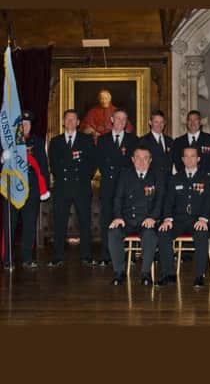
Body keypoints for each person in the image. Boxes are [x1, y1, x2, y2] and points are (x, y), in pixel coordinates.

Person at [156, 147, 210, 287]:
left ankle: (199, 275)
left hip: (198, 220)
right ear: (182, 160)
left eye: (193, 156)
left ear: (198, 159)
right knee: (163, 232)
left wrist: (203, 218)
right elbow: (168, 201)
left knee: (201, 234)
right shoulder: (175, 178)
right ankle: (168, 274)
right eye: (186, 156)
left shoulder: (206, 178)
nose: (189, 159)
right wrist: (167, 219)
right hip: (178, 220)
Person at [1, 110, 50, 269]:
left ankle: (27, 258)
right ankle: (8, 259)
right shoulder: (7, 143)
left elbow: (43, 166)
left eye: (28, 124)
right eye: (22, 124)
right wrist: (3, 158)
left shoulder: (37, 142)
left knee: (29, 225)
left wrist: (45, 188)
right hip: (12, 189)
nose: (25, 126)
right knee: (11, 224)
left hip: (32, 190)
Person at [107, 146, 164, 286]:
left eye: (145, 158)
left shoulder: (157, 176)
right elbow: (117, 198)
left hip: (146, 220)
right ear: (132, 159)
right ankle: (119, 273)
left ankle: (145, 273)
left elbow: (160, 200)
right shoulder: (125, 175)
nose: (141, 161)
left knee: (150, 235)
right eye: (138, 158)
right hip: (127, 219)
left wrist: (153, 217)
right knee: (113, 232)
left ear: (150, 161)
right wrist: (117, 216)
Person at [48, 109, 97, 267]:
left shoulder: (86, 140)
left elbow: (92, 163)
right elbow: (54, 165)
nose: (70, 122)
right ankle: (58, 256)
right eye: (67, 119)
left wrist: (84, 178)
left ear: (78, 123)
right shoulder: (55, 142)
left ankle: (86, 255)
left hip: (81, 186)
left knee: (85, 221)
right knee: (59, 222)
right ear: (63, 122)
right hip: (62, 187)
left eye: (73, 119)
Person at [95, 108, 138, 266]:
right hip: (108, 186)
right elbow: (99, 161)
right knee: (107, 219)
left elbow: (134, 164)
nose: (120, 121)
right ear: (112, 120)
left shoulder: (133, 140)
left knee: (127, 220)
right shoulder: (103, 140)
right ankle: (106, 256)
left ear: (126, 122)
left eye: (124, 119)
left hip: (126, 187)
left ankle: (128, 255)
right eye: (118, 118)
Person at [172, 110, 210, 178]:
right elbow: (177, 162)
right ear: (187, 122)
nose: (192, 123)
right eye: (190, 120)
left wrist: (206, 176)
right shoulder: (178, 142)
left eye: (195, 120)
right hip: (185, 180)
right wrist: (185, 176)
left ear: (200, 122)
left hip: (205, 180)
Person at [138, 109, 174, 180]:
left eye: (161, 122)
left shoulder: (170, 141)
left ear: (165, 123)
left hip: (168, 182)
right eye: (156, 122)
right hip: (151, 181)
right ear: (150, 122)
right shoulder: (143, 141)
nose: (159, 125)